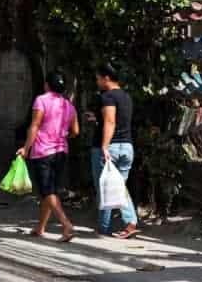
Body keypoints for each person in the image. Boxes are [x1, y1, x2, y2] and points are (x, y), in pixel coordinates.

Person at [17, 70, 79, 241]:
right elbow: (75, 131)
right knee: (49, 191)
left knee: (47, 190)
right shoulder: (68, 105)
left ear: (46, 85)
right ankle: (40, 227)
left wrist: (25, 148)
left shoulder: (41, 100)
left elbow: (34, 126)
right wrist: (63, 135)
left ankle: (66, 225)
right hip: (61, 152)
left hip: (43, 152)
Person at [90, 61, 138, 238]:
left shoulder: (108, 97)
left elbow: (110, 121)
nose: (97, 82)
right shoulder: (126, 96)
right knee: (118, 187)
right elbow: (115, 120)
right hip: (127, 146)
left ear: (106, 78)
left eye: (98, 78)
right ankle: (119, 224)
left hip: (111, 148)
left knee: (105, 187)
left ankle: (114, 224)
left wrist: (104, 146)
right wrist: (97, 119)